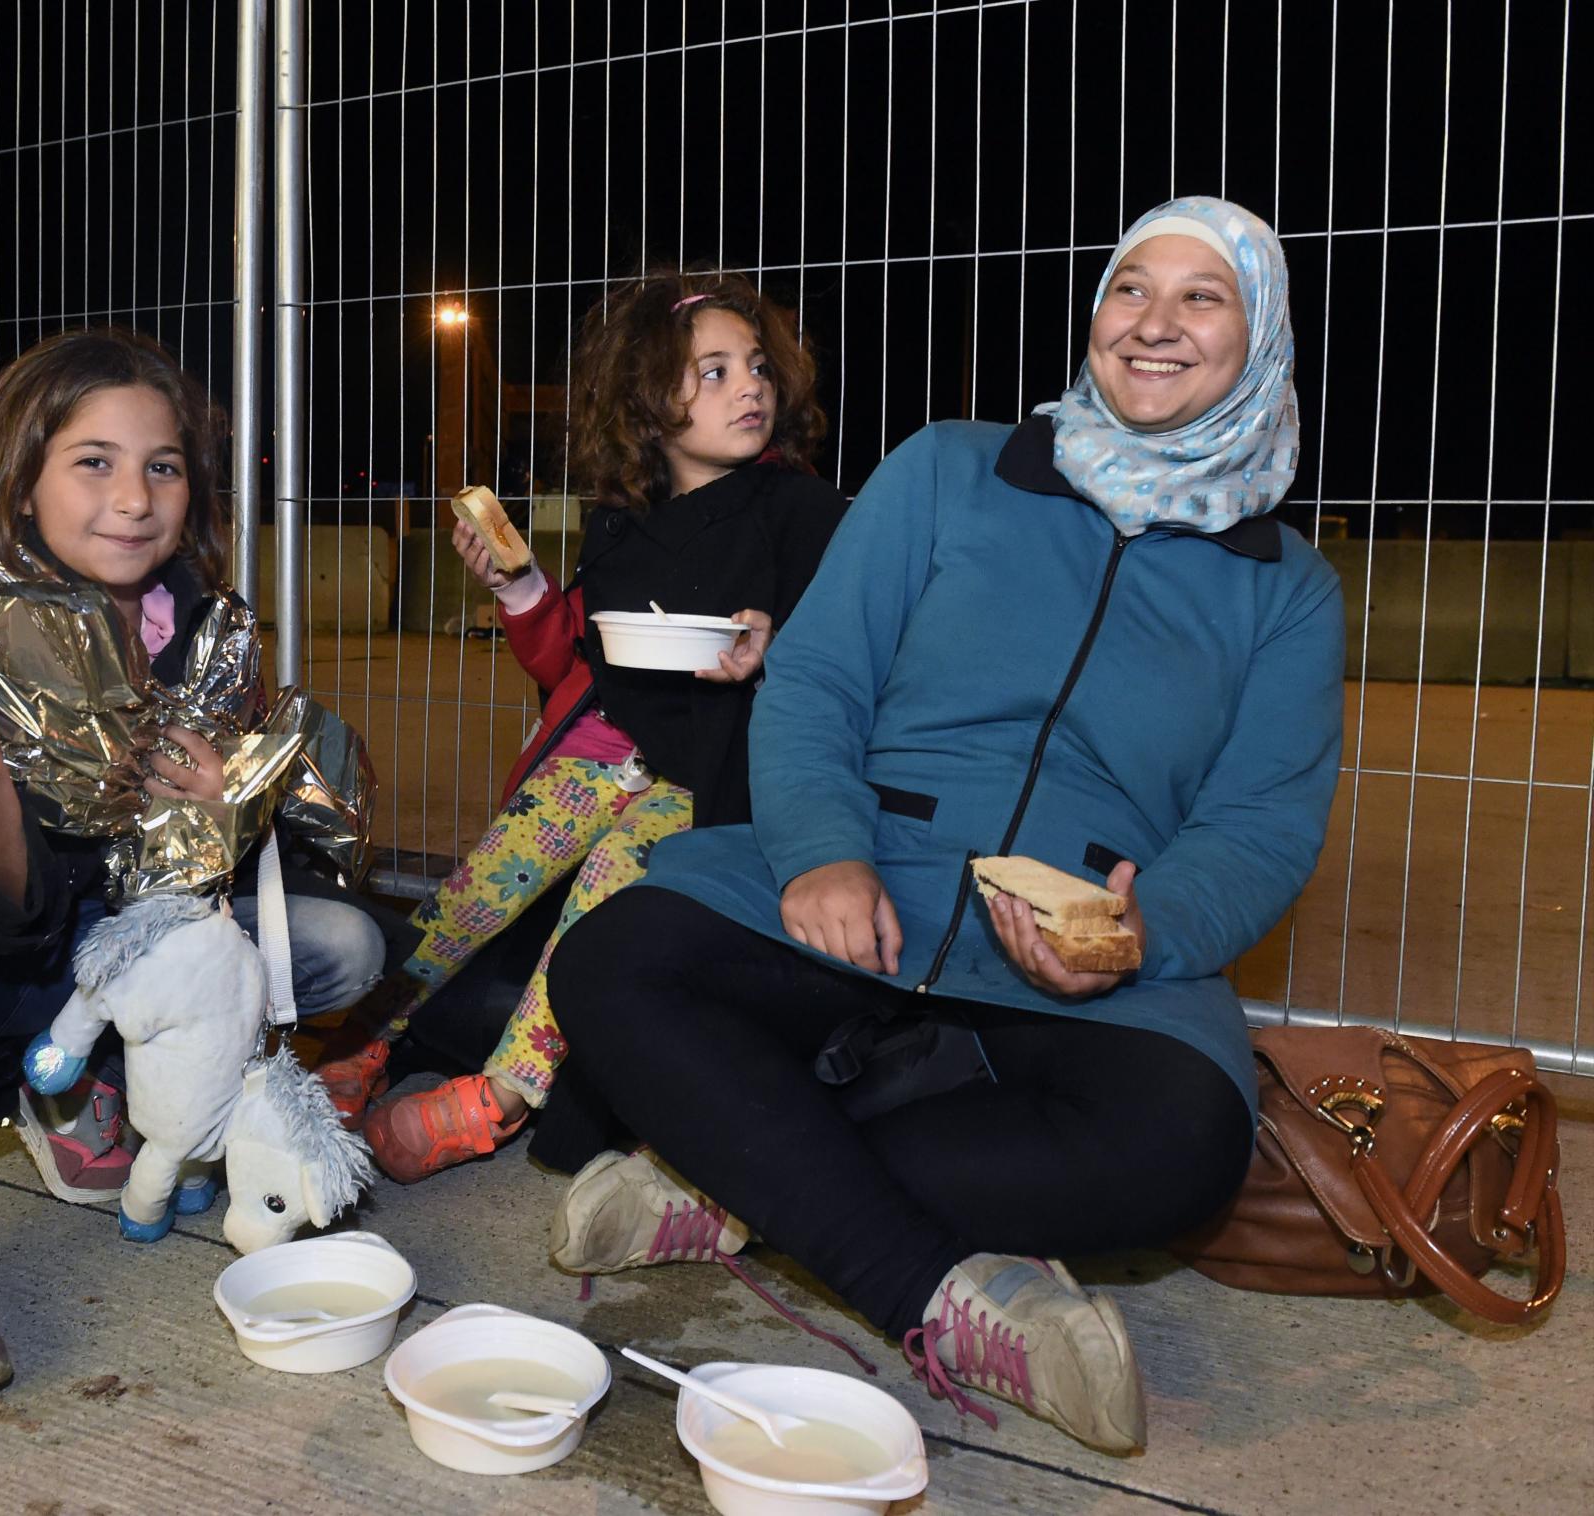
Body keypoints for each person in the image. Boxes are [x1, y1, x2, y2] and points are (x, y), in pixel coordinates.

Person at [545, 198, 1344, 1455]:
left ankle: (736, 1177)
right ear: (1094, 314)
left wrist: (1143, 935)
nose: (1155, 323)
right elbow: (816, 681)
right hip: (878, 875)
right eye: (1132, 287)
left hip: (1088, 937)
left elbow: (1261, 822)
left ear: (1262, 339)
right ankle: (937, 1298)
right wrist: (820, 850)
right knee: (612, 957)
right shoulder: (948, 469)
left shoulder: (1284, 588)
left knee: (1184, 1142)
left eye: (1204, 297)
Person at [0, 328, 388, 1411]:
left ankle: (77, 1091)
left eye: (163, 464)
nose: (133, 496)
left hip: (91, 967)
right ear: (23, 477)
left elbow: (170, 903)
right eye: (92, 460)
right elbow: (7, 921)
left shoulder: (195, 633)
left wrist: (220, 815)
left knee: (342, 945)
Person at [318, 270, 848, 1184]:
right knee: (472, 892)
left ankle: (502, 1096)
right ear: (650, 398)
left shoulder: (798, 510)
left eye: (757, 365)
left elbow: (850, 640)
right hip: (607, 755)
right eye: (713, 370)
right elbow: (572, 662)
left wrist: (781, 642)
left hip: (712, 782)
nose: (751, 385)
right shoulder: (621, 523)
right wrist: (518, 587)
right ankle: (365, 1047)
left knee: (603, 894)